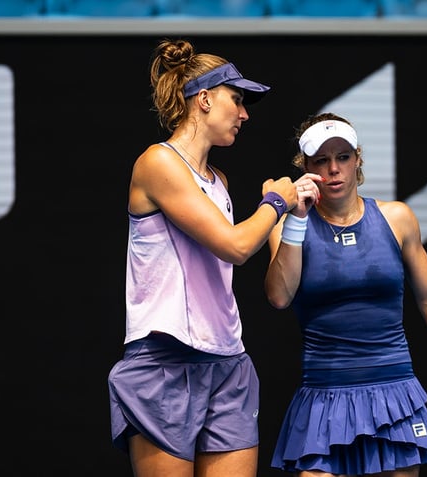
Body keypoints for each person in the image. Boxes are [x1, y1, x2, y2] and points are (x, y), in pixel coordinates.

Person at [106, 38, 321, 477]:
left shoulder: (218, 179)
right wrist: (276, 202)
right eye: (236, 100)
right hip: (164, 363)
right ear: (203, 100)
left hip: (228, 363)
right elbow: (237, 246)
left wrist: (286, 211)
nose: (244, 115)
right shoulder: (158, 163)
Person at [264, 113, 427, 476]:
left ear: (358, 160)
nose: (334, 169)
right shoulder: (288, 227)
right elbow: (279, 297)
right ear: (305, 167)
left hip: (394, 394)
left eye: (343, 157)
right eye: (321, 160)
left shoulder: (398, 218)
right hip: (324, 397)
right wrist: (298, 218)